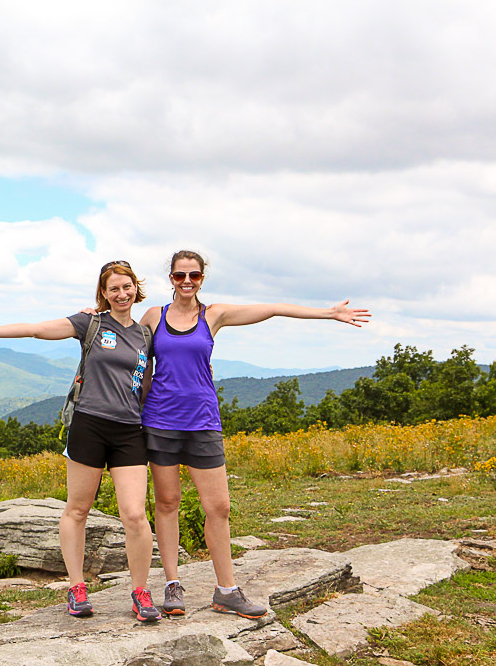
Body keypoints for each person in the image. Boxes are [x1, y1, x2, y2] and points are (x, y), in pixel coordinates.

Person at [140, 249, 370, 619]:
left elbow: (274, 308)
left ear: (202, 278)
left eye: (194, 276)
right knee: (167, 504)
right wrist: (94, 318)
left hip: (203, 420)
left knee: (219, 507)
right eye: (180, 276)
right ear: (170, 278)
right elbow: (131, 355)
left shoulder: (213, 315)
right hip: (160, 421)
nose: (186, 282)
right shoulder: (154, 317)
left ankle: (226, 590)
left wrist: (329, 313)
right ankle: (171, 585)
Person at [0, 261, 162, 621]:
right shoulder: (90, 323)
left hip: (129, 430)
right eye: (113, 289)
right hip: (89, 425)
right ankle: (77, 587)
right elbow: (37, 329)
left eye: (127, 287)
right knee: (77, 509)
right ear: (103, 294)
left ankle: (141, 592)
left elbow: (149, 383)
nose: (121, 294)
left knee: (136, 515)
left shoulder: (144, 336)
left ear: (136, 289)